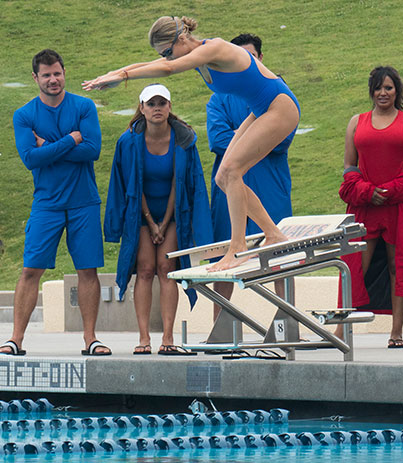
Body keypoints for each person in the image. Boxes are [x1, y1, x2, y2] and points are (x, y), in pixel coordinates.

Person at [83, 15, 299, 271]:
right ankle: (273, 234)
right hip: (261, 108)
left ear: (182, 38)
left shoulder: (214, 48)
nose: (168, 58)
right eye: (164, 54)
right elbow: (156, 63)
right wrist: (115, 74)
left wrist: (124, 75)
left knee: (232, 171)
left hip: (279, 106)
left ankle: (237, 246)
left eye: (168, 51)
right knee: (223, 178)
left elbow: (168, 69)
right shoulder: (195, 55)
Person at [1, 49, 110, 356]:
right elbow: (30, 159)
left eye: (57, 73)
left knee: (87, 271)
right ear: (35, 77)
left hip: (83, 202)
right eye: (46, 75)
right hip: (46, 204)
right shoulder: (24, 115)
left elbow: (92, 151)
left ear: (65, 73)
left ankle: (91, 340)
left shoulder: (83, 106)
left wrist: (46, 146)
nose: (53, 79)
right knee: (30, 270)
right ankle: (15, 340)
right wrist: (70, 140)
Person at [104, 83, 213, 355]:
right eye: (151, 104)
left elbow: (183, 183)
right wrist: (150, 223)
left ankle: (168, 337)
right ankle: (143, 338)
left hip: (173, 213)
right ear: (141, 108)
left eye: (161, 103)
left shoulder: (184, 139)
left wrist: (163, 224)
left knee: (166, 268)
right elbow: (130, 184)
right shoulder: (128, 141)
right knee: (144, 269)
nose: (156, 108)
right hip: (140, 214)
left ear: (169, 106)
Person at [338, 66, 403, 348]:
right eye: (378, 88)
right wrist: (367, 192)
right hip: (365, 206)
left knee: (397, 267)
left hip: (400, 208)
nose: (383, 93)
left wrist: (389, 191)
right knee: (354, 266)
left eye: (388, 88)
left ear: (397, 90)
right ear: (372, 91)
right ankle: (341, 330)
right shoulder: (356, 122)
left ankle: (396, 332)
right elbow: (349, 167)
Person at [206, 33, 293, 320]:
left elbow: (282, 138)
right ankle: (221, 328)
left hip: (270, 185)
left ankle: (287, 325)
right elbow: (217, 139)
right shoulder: (219, 99)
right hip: (230, 188)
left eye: (251, 57)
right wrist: (258, 136)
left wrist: (243, 138)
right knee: (226, 254)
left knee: (280, 257)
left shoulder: (274, 92)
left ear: (260, 59)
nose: (244, 63)